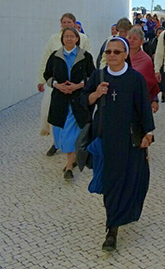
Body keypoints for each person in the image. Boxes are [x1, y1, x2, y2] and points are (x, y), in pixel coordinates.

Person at [80, 37, 155, 251]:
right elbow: (83, 100)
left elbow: (143, 108)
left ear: (125, 55)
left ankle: (123, 214)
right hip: (106, 139)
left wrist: (148, 134)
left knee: (132, 180)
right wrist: (95, 94)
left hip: (130, 139)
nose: (112, 55)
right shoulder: (99, 76)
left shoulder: (135, 79)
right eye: (108, 52)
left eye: (117, 52)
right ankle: (111, 229)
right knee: (112, 183)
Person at [37, 13, 92, 156]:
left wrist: (80, 84)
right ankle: (56, 143)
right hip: (57, 86)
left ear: (74, 24)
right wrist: (42, 80)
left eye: (69, 22)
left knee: (73, 117)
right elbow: (46, 60)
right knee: (54, 115)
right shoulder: (53, 39)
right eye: (64, 22)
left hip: (76, 86)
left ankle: (73, 149)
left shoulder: (84, 39)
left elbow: (88, 65)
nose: (66, 24)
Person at [43, 27, 95, 179]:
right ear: (62, 38)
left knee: (70, 132)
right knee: (61, 132)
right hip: (60, 101)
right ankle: (71, 160)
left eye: (72, 36)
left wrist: (78, 86)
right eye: (66, 36)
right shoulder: (55, 56)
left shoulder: (85, 56)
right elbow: (47, 75)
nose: (69, 39)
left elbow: (92, 76)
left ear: (77, 38)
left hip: (77, 101)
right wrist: (57, 85)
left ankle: (68, 166)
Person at [127, 27, 160, 114]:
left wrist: (154, 100)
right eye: (129, 38)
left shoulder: (146, 60)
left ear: (141, 41)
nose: (131, 40)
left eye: (135, 38)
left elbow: (151, 82)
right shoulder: (120, 56)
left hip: (140, 99)